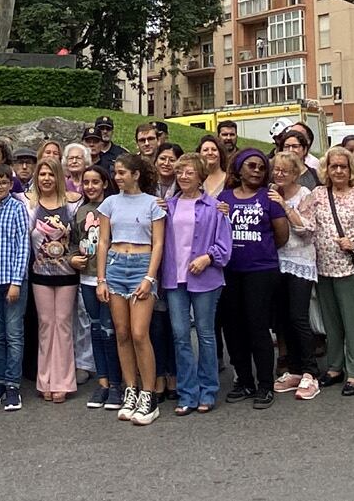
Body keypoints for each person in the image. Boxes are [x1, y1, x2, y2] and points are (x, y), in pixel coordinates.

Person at [97, 152, 166, 425]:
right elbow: (103, 241)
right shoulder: (109, 203)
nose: (117, 177)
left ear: (136, 174)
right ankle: (130, 389)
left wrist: (149, 278)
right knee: (122, 333)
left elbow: (158, 244)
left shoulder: (153, 204)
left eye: (122, 172)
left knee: (139, 333)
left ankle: (149, 394)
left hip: (141, 266)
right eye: (115, 172)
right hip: (115, 266)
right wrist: (101, 279)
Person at [306, 146, 354, 395]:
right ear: (326, 169)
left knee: (353, 322)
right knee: (331, 322)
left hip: (350, 268)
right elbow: (304, 222)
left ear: (350, 170)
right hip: (323, 267)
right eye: (334, 166)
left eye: (343, 166)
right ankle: (335, 367)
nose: (338, 170)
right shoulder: (317, 193)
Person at [218, 148, 289, 408]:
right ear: (238, 169)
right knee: (233, 327)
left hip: (261, 270)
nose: (257, 171)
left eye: (261, 167)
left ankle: (265, 385)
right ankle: (244, 380)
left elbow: (282, 234)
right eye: (251, 166)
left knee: (258, 327)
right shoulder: (224, 197)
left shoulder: (268, 197)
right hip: (230, 271)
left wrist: (262, 251)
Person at [162, 152, 232, 415]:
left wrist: (207, 257)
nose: (183, 176)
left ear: (201, 176)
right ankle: (187, 392)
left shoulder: (215, 207)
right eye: (179, 172)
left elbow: (225, 248)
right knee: (180, 336)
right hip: (174, 278)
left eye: (189, 172)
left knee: (205, 334)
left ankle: (208, 390)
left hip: (206, 278)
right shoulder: (168, 206)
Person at [270, 152, 320, 400]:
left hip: (300, 259)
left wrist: (283, 206)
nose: (279, 174)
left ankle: (311, 371)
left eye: (284, 171)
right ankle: (295, 369)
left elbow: (307, 230)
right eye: (276, 170)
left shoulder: (305, 195)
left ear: (295, 173)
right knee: (283, 319)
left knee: (298, 317)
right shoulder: (270, 191)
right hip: (276, 261)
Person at [28, 157, 78, 403]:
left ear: (58, 176)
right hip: (40, 274)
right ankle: (44, 379)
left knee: (64, 325)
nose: (46, 179)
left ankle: (63, 381)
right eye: (42, 174)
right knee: (46, 325)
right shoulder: (30, 204)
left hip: (67, 274)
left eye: (50, 174)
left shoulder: (71, 205)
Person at [71, 164, 121, 409]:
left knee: (109, 331)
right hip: (87, 279)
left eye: (95, 182)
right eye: (86, 182)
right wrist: (71, 258)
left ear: (104, 183)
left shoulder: (113, 206)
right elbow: (73, 242)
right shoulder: (80, 211)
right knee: (95, 329)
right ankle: (102, 382)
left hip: (110, 278)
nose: (90, 187)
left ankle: (116, 383)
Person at [0, 162, 30, 411]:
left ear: (10, 184)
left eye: (4, 182)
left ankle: (13, 384)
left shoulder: (17, 208)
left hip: (12, 282)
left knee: (14, 334)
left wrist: (16, 281)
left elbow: (24, 245)